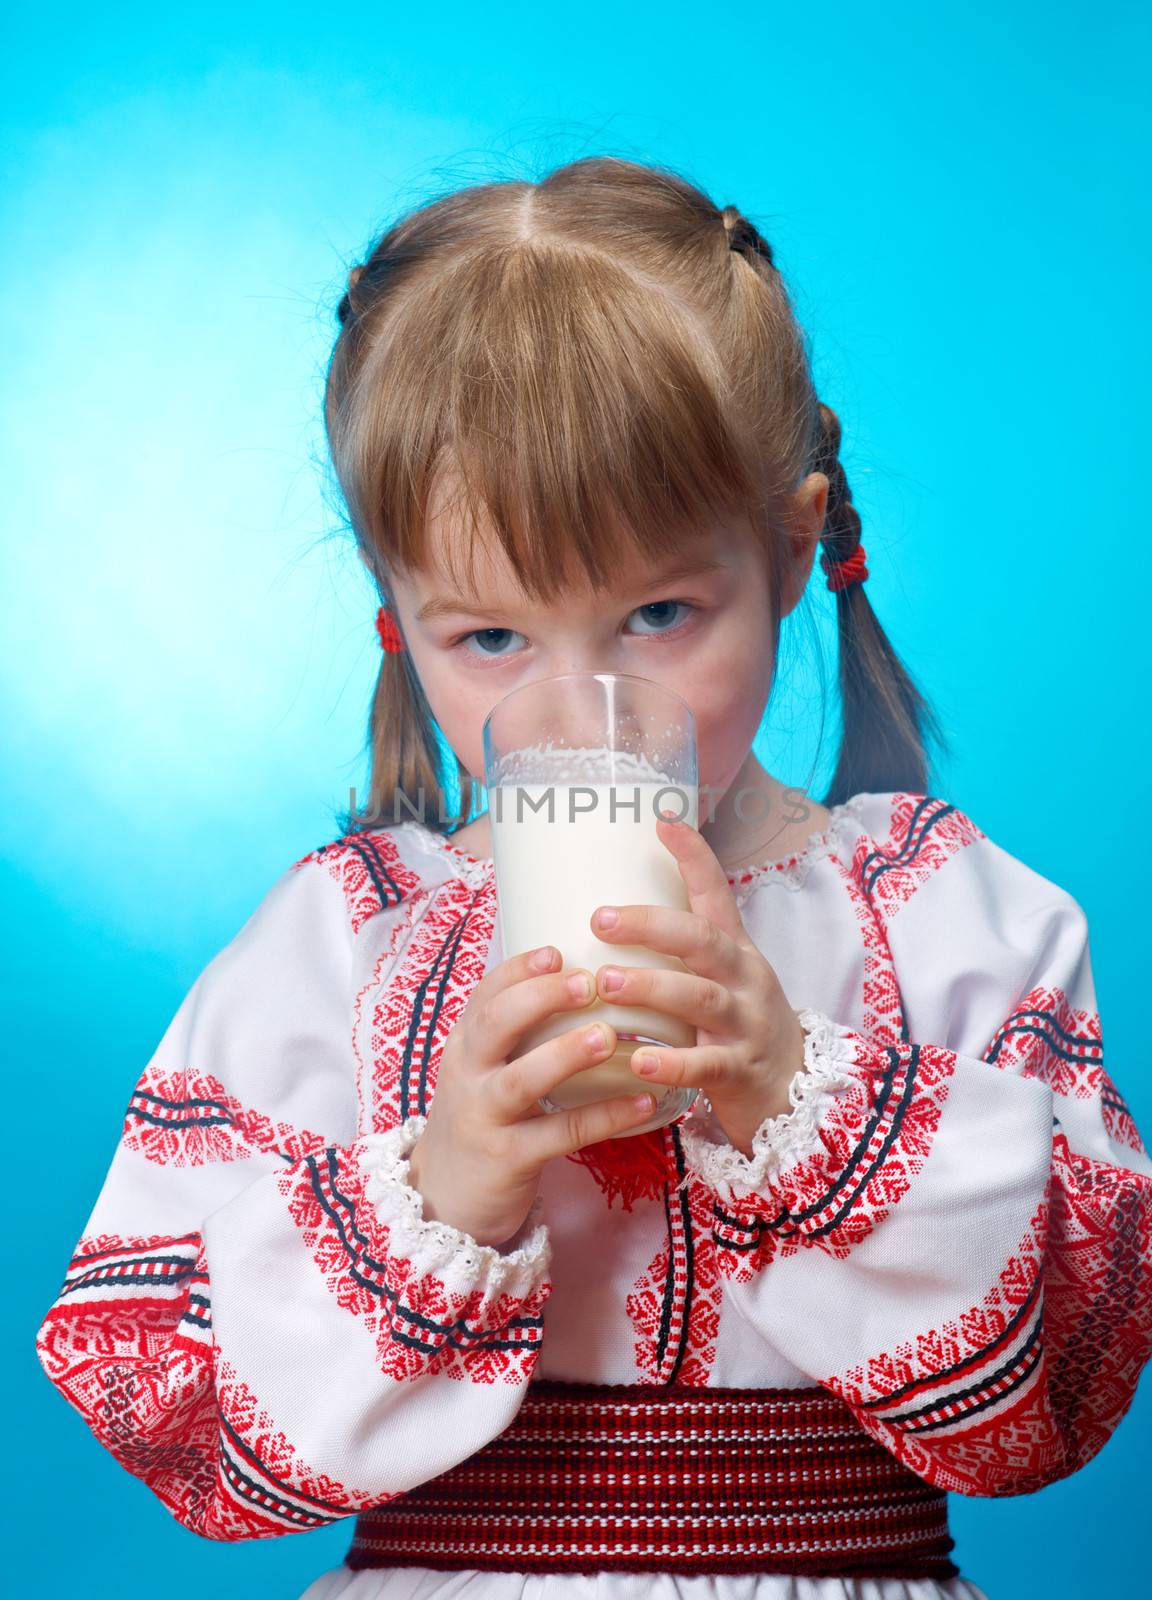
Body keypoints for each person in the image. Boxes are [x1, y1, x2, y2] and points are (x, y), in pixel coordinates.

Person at [35, 155, 1152, 1600]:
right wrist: (444, 1188)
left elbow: (1063, 1392)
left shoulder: (953, 917)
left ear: (793, 551)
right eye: (489, 640)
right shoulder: (343, 943)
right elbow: (164, 1401)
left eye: (657, 614)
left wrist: (798, 1093)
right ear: (400, 622)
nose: (576, 711)